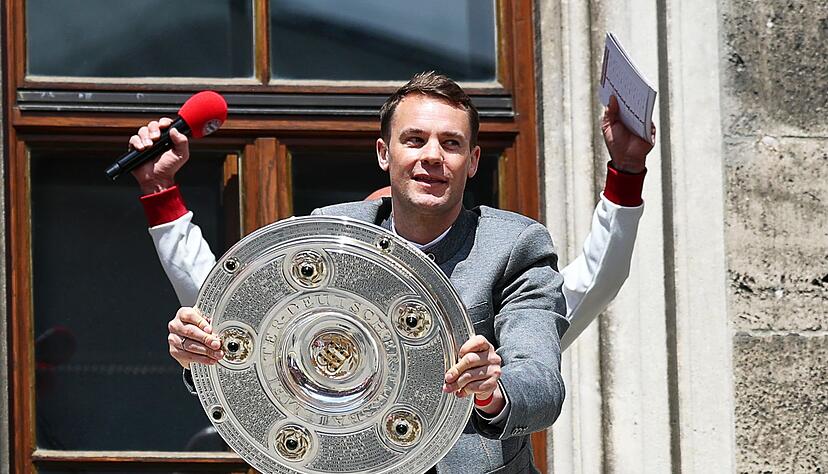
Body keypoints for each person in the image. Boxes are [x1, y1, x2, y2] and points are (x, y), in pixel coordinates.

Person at [130, 72, 653, 473]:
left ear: (473, 162)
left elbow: (541, 380)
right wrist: (203, 354)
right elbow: (245, 333)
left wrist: (492, 390)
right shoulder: (328, 237)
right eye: (414, 140)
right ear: (384, 154)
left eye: (450, 144)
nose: (432, 157)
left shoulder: (513, 248)